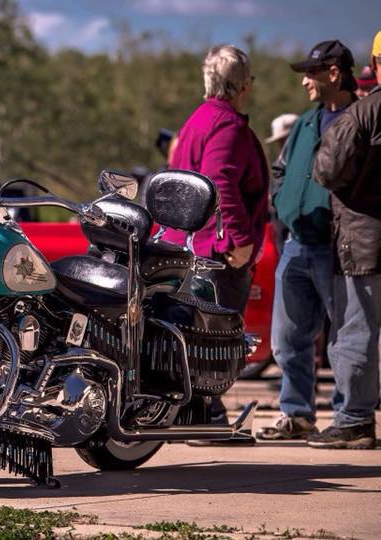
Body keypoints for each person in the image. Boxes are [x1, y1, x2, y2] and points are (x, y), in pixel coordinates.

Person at [161, 45, 269, 443]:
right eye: (251, 80)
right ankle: (204, 416)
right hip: (215, 251)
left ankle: (203, 414)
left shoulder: (197, 120)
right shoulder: (226, 125)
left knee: (197, 334)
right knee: (217, 337)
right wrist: (240, 240)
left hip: (190, 244)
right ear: (242, 84)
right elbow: (219, 181)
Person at [257, 40, 357, 441]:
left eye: (311, 73)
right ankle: (297, 414)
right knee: (288, 339)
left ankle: (349, 417)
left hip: (336, 247)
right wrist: (282, 203)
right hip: (296, 244)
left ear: (334, 73)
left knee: (344, 339)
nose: (305, 82)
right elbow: (279, 172)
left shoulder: (358, 119)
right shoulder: (305, 123)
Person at [310, 31, 381, 449]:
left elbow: (328, 171)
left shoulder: (364, 113)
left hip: (364, 241)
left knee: (356, 331)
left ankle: (355, 418)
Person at [265, 113, 299, 255]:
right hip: (282, 235)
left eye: (284, 140)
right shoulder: (280, 165)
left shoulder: (304, 165)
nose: (281, 145)